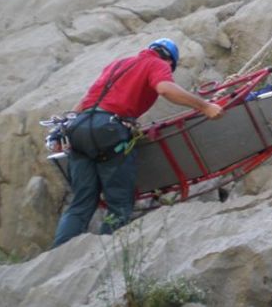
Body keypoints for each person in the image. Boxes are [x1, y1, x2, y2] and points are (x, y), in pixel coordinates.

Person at [52, 38, 223, 247]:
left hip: (78, 129)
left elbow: (84, 102)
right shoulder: (157, 64)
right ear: (170, 62)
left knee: (81, 203)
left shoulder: (117, 65)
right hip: (108, 132)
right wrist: (204, 106)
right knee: (119, 204)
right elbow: (165, 89)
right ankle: (104, 257)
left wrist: (58, 132)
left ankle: (57, 255)